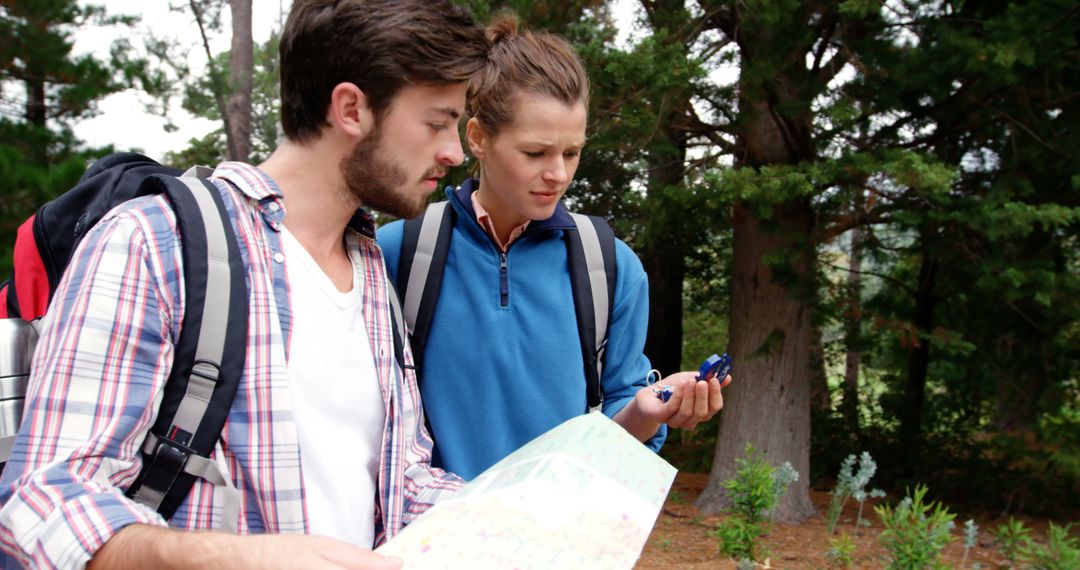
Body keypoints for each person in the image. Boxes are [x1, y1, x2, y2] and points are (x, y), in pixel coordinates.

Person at [0, 0, 488, 567]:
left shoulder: (370, 267)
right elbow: (45, 500)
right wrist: (233, 559)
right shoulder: (151, 241)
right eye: (437, 122)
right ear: (351, 109)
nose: (454, 152)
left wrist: (521, 520)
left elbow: (401, 482)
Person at [377, 16, 730, 481]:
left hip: (562, 523)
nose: (558, 175)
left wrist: (645, 412)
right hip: (433, 523)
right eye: (535, 153)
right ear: (478, 137)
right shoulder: (400, 252)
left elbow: (615, 432)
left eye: (571, 152)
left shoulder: (610, 267)